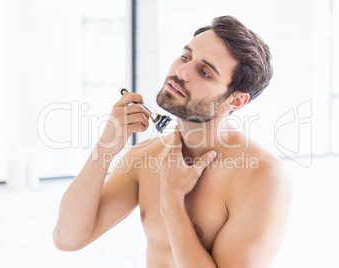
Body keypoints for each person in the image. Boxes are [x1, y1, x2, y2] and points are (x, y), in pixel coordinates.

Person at [53, 15, 292, 267]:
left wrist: (171, 200)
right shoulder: (145, 156)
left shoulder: (262, 176)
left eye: (204, 72)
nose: (181, 72)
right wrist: (105, 148)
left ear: (235, 101)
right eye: (186, 57)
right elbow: (67, 238)